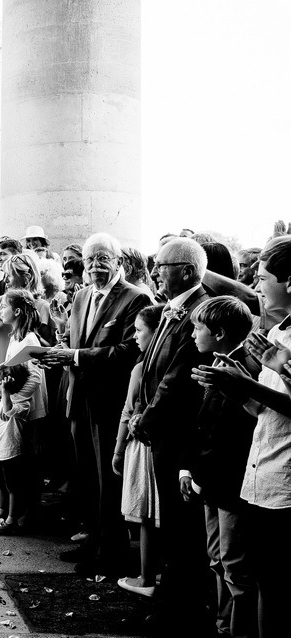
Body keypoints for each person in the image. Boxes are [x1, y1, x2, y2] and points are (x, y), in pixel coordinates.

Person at [192, 235, 291, 638]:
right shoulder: (280, 333)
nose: (256, 283)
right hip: (261, 477)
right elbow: (264, 413)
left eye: (263, 277)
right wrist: (234, 388)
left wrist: (244, 383)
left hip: (283, 481)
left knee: (272, 584)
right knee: (262, 578)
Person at [40, 233, 150, 574]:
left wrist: (74, 355)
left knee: (107, 475)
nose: (95, 266)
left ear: (119, 262)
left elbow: (130, 351)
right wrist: (58, 354)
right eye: (90, 260)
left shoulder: (136, 297)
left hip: (110, 398)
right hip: (79, 395)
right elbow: (76, 341)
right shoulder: (82, 295)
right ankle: (93, 539)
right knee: (85, 472)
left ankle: (112, 550)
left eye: (103, 259)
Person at [134, 237, 212, 630]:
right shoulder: (173, 308)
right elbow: (154, 366)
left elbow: (177, 378)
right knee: (173, 524)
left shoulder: (199, 308)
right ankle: (173, 600)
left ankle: (181, 610)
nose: (155, 271)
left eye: (161, 265)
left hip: (180, 433)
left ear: (185, 270)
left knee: (183, 529)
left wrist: (145, 419)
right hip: (163, 431)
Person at [178, 296, 258, 637]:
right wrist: (188, 469)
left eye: (198, 328)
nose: (193, 334)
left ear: (221, 332)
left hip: (230, 484)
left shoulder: (244, 370)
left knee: (235, 566)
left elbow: (233, 435)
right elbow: (201, 424)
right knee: (216, 558)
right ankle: (222, 623)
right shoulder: (218, 362)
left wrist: (199, 472)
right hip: (210, 480)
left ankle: (235, 630)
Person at [113, 304, 164, 598]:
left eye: (139, 330)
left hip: (141, 446)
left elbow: (128, 409)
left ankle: (145, 577)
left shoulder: (140, 367)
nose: (134, 337)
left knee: (145, 514)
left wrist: (118, 448)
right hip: (161, 445)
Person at [0, 363, 41, 536]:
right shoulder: (4, 399)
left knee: (13, 487)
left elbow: (9, 411)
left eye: (0, 383)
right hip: (0, 451)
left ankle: (11, 520)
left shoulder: (22, 403)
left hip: (12, 452)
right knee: (1, 483)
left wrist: (6, 391)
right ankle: (1, 511)